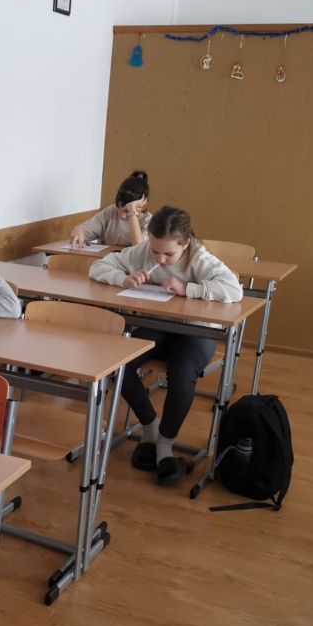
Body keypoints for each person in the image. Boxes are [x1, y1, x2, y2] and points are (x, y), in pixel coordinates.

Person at [89, 206, 243, 485]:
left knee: (181, 374)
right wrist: (123, 278)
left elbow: (234, 289)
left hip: (196, 331)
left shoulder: (200, 259)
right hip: (159, 326)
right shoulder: (142, 252)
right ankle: (150, 426)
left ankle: (165, 444)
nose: (160, 259)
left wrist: (189, 289)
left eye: (168, 254)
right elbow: (98, 267)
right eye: (154, 251)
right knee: (119, 363)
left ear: (186, 244)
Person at [70, 171, 151, 249]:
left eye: (127, 211)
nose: (122, 216)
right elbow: (84, 231)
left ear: (142, 206)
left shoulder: (148, 221)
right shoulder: (111, 211)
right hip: (106, 258)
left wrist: (132, 212)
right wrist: (79, 230)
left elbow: (139, 249)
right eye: (120, 208)